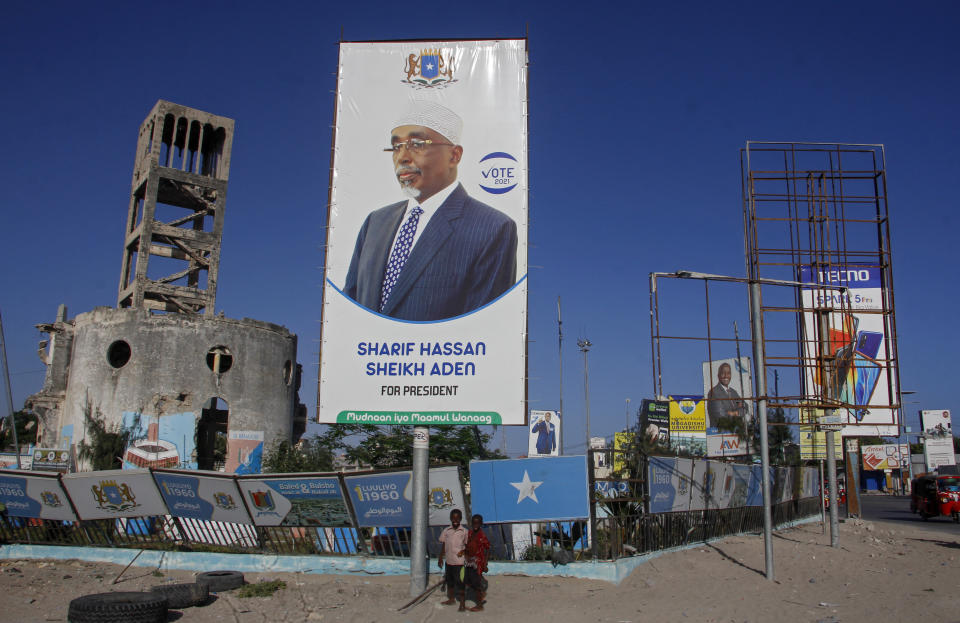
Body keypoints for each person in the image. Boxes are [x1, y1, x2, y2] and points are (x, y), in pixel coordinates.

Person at [343, 99, 518, 321]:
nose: (402, 157)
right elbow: (351, 309)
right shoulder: (375, 223)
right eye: (396, 147)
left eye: (417, 144)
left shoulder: (491, 228)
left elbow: (482, 327)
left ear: (454, 156)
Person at [437, 508, 469, 610]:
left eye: (457, 518)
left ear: (460, 518)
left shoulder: (464, 531)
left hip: (459, 562)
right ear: (451, 518)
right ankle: (451, 599)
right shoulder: (446, 531)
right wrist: (440, 558)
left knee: (460, 582)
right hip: (449, 562)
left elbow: (469, 546)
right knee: (449, 582)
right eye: (453, 518)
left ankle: (462, 603)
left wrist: (464, 551)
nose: (455, 520)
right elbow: (444, 544)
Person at [463, 513, 491, 612]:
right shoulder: (470, 533)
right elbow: (467, 545)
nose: (475, 525)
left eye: (477, 523)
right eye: (474, 523)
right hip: (469, 561)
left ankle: (480, 605)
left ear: (481, 524)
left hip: (478, 563)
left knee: (475, 583)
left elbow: (488, 548)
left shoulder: (482, 536)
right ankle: (481, 592)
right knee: (467, 580)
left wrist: (485, 563)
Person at [707, 363, 746, 429]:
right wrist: (738, 412)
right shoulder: (713, 392)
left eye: (728, 373)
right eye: (723, 373)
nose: (726, 376)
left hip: (735, 432)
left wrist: (733, 413)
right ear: (718, 376)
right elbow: (721, 416)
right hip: (720, 433)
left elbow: (745, 407)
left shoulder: (733, 392)